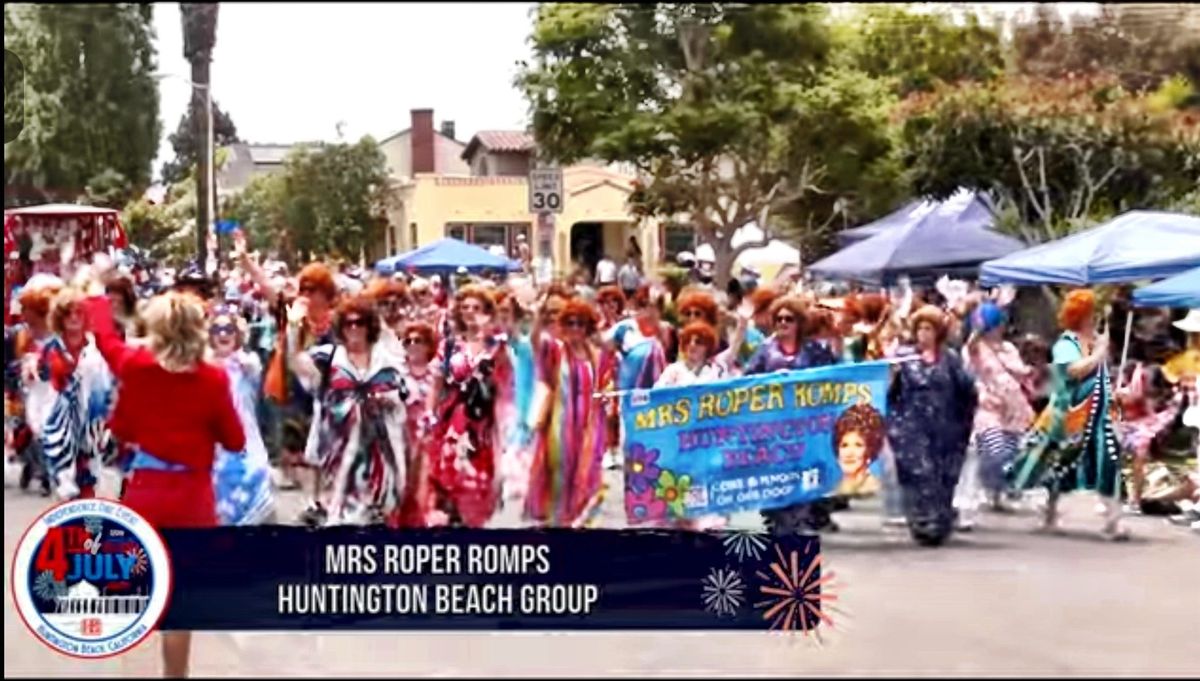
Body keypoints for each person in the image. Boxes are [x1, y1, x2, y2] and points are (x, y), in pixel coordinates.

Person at [82, 264, 245, 679]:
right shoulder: (212, 379)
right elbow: (235, 441)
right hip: (191, 495)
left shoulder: (136, 365)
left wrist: (97, 294)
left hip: (145, 491)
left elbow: (103, 339)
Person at [1008, 289, 1126, 540]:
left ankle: (1113, 521)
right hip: (1067, 417)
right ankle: (1049, 514)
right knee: (1056, 466)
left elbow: (1100, 374)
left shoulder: (1096, 341)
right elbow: (1073, 371)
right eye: (1091, 313)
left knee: (1107, 463)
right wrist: (1098, 354)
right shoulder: (1066, 343)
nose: (1094, 317)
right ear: (1080, 315)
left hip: (1097, 415)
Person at [291, 295, 410, 526]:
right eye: (348, 323)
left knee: (378, 516)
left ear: (370, 326)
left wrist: (385, 400)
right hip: (340, 453)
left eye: (360, 322)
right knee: (341, 517)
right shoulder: (329, 357)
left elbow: (402, 394)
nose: (354, 328)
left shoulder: (386, 358)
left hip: (379, 454)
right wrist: (293, 327)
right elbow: (296, 363)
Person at [744, 295, 841, 535]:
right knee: (775, 477)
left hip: (805, 427)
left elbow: (834, 375)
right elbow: (747, 381)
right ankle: (776, 521)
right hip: (772, 428)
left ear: (799, 322)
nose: (783, 323)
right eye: (779, 319)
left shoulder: (813, 350)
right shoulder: (765, 351)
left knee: (802, 474)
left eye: (789, 319)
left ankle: (797, 523)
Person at [886, 305, 979, 546]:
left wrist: (963, 420)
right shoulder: (904, 356)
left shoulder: (950, 358)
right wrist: (892, 374)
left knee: (943, 475)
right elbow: (889, 393)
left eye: (929, 328)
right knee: (918, 473)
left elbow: (967, 391)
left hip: (945, 426)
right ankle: (921, 521)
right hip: (911, 426)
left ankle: (940, 521)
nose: (923, 334)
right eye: (920, 328)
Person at [426, 285, 510, 527]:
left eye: (477, 308)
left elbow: (506, 388)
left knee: (481, 475)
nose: (471, 312)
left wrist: (505, 426)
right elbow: (435, 383)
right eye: (465, 308)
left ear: (486, 311)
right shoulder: (450, 345)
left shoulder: (497, 346)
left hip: (483, 422)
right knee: (450, 470)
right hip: (452, 418)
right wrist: (430, 415)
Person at [525, 297, 606, 527]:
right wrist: (539, 316)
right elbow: (536, 341)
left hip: (588, 422)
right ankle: (558, 518)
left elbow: (604, 385)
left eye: (580, 323)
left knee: (587, 469)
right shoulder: (556, 350)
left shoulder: (595, 354)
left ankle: (578, 516)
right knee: (561, 468)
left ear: (588, 327)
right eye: (569, 323)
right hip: (561, 422)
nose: (574, 328)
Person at [36, 287, 117, 500]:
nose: (73, 318)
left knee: (88, 484)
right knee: (65, 490)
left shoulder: (97, 348)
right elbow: (41, 387)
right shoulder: (49, 348)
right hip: (60, 428)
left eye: (78, 312)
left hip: (91, 424)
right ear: (60, 317)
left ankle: (89, 530)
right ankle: (70, 529)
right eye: (68, 313)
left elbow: (106, 384)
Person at [961, 301, 1035, 516]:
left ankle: (997, 493)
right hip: (988, 406)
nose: (998, 329)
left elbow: (1020, 372)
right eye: (995, 324)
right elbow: (970, 348)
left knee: (1011, 453)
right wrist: (979, 325)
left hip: (1013, 407)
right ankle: (986, 487)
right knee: (995, 450)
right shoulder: (975, 349)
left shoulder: (1009, 348)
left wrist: (1031, 372)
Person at [208, 306, 275, 526]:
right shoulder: (204, 366)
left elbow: (252, 366)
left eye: (229, 329)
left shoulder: (248, 362)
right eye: (217, 330)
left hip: (248, 445)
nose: (223, 334)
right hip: (215, 449)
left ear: (238, 335)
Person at [833, 404, 887, 497]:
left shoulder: (876, 490)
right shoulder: (831, 490)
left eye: (858, 445)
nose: (849, 453)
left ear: (870, 450)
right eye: (844, 445)